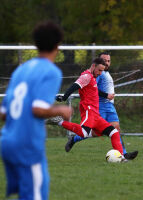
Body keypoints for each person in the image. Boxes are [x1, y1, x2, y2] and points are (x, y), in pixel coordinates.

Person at [0, 21, 72, 200]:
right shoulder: (51, 71)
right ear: (57, 45)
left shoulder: (21, 69)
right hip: (27, 146)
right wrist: (61, 110)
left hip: (7, 143)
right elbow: (37, 109)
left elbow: (3, 113)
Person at [64, 52, 138, 160]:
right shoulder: (98, 73)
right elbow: (93, 88)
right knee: (95, 132)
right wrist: (106, 95)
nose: (106, 63)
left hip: (110, 106)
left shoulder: (105, 72)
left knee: (115, 129)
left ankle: (123, 154)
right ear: (98, 62)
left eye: (108, 61)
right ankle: (74, 139)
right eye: (104, 60)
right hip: (100, 105)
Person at [52, 57, 127, 161]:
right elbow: (75, 85)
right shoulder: (86, 76)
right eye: (99, 70)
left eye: (102, 71)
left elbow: (93, 91)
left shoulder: (93, 77)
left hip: (96, 114)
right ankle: (59, 121)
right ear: (93, 66)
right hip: (89, 110)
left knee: (114, 133)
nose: (101, 73)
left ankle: (121, 157)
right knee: (83, 133)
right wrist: (64, 97)